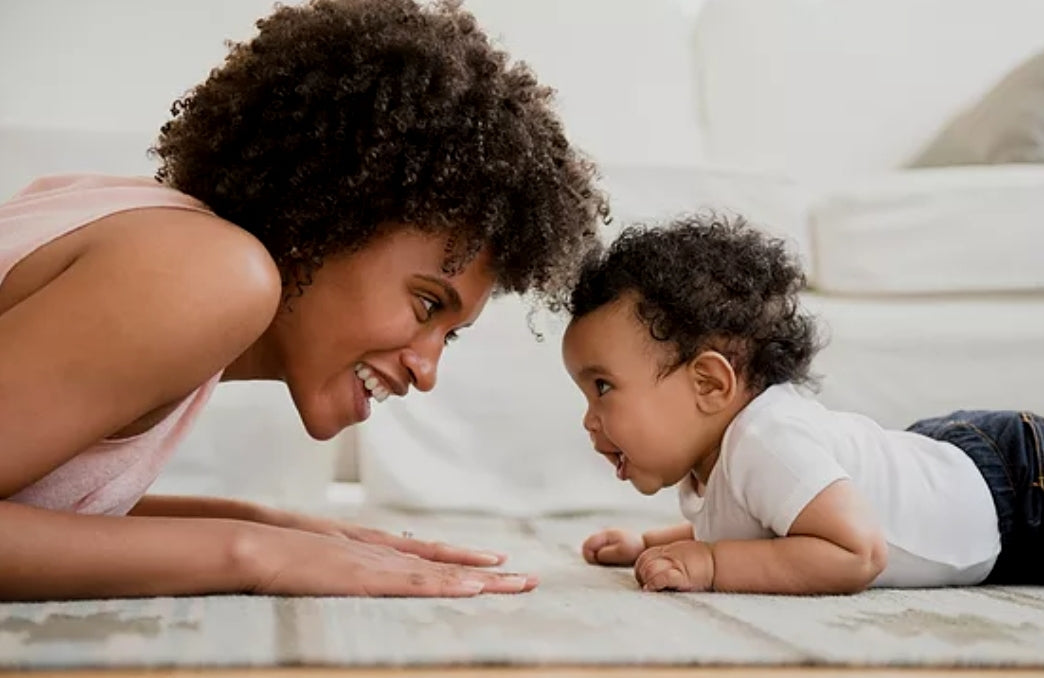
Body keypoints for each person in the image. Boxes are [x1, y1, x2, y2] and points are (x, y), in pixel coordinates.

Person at [0, 0, 606, 601]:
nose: (426, 371)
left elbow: (33, 498)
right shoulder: (207, 274)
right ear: (327, 219)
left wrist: (268, 526)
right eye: (427, 305)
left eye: (447, 336)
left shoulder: (168, 247)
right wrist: (254, 555)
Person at [561, 214, 1043, 594]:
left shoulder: (765, 441)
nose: (588, 418)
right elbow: (756, 528)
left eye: (602, 387)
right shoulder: (715, 459)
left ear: (708, 384)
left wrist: (711, 564)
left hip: (1016, 485)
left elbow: (858, 551)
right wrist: (648, 544)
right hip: (954, 472)